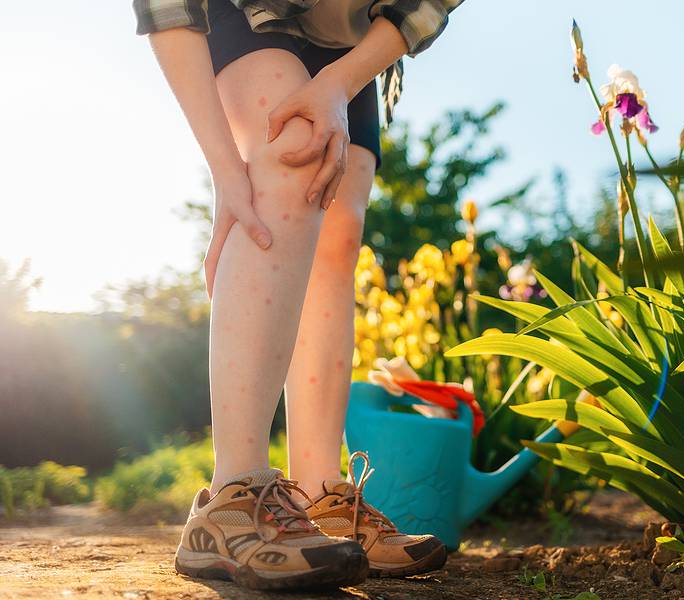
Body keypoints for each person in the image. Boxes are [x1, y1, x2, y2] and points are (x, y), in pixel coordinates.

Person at [132, 0, 462, 590]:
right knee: (297, 152)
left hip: (352, 31)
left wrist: (338, 81)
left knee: (339, 226)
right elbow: (170, 11)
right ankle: (233, 501)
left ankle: (320, 495)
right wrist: (227, 171)